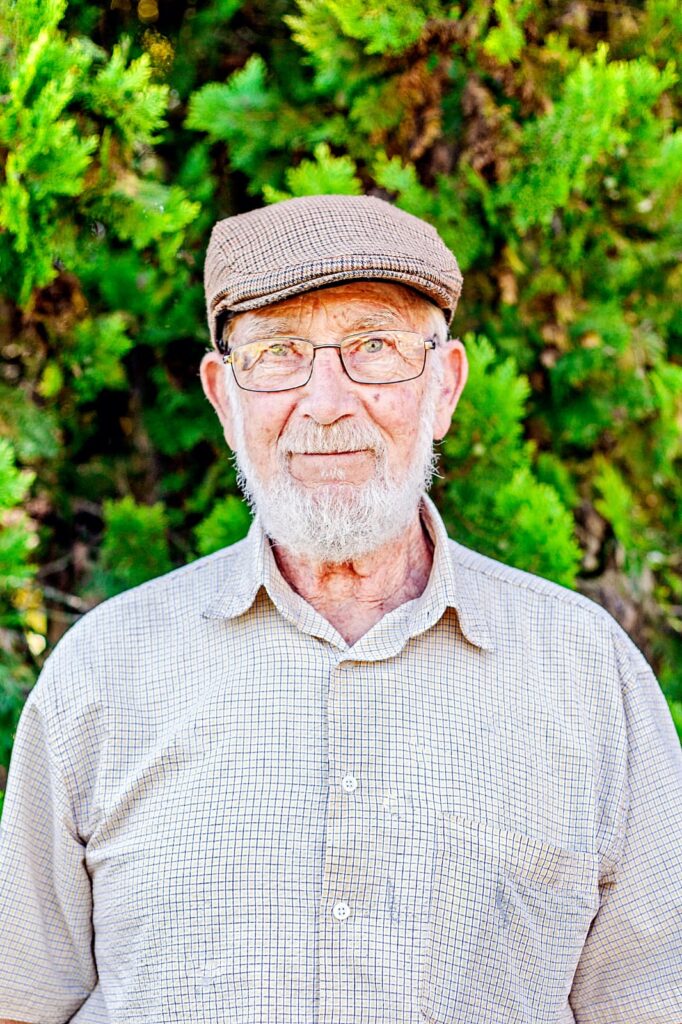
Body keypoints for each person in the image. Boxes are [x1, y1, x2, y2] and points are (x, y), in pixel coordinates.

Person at [0, 195, 680, 1024]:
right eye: (280, 352)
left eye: (375, 347)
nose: (326, 402)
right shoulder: (101, 675)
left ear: (445, 387)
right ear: (224, 397)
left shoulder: (589, 677)